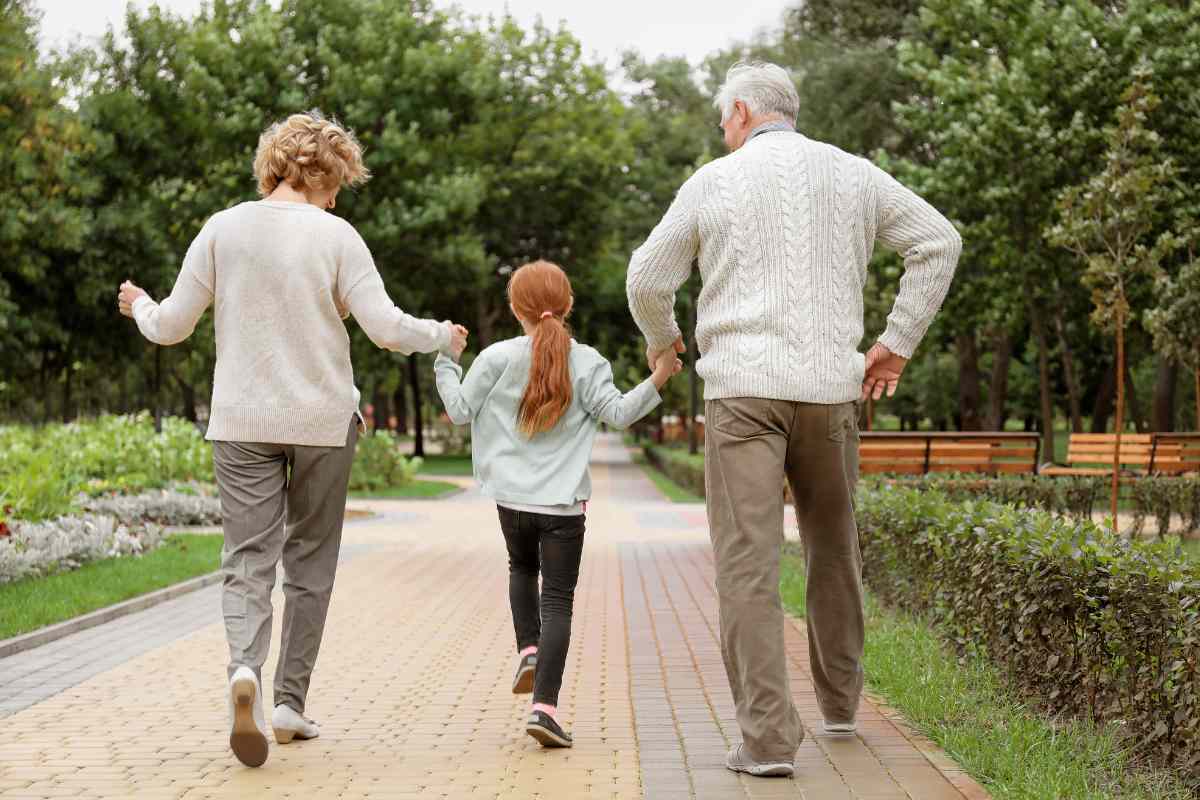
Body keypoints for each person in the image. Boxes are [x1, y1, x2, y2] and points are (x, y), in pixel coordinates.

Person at [626, 62, 960, 777]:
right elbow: (939, 243)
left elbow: (647, 278)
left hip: (741, 395)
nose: (723, 131)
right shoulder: (855, 175)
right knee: (833, 550)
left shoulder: (713, 181)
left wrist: (664, 339)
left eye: (723, 119)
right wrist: (895, 342)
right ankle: (841, 706)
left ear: (742, 111)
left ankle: (768, 743)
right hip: (831, 392)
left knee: (747, 564)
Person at [116, 110, 469, 768]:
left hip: (242, 423)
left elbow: (169, 326)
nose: (338, 197)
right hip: (322, 423)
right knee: (309, 565)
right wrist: (442, 336)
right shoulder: (337, 238)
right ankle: (287, 704)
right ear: (320, 174)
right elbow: (387, 328)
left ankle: (242, 671)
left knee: (247, 560)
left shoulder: (222, 230)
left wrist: (138, 302)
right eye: (337, 182)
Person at [434, 260, 680, 748]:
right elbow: (620, 414)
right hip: (563, 508)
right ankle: (544, 708)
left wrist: (445, 360)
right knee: (559, 601)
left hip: (512, 500)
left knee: (520, 570)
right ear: (566, 305)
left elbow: (458, 411)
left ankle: (528, 648)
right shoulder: (588, 361)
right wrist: (660, 376)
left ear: (514, 308)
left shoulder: (497, 357)